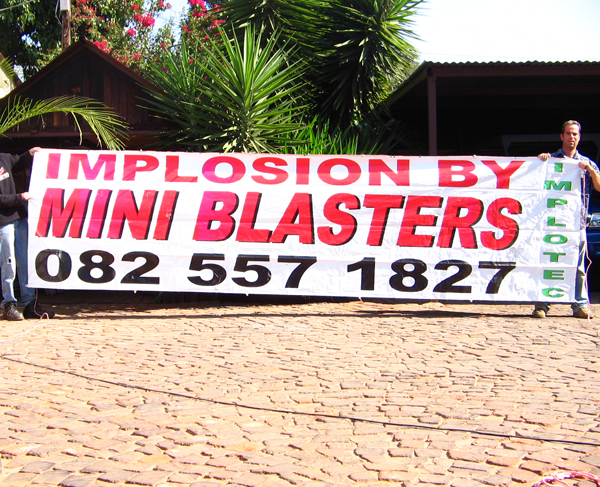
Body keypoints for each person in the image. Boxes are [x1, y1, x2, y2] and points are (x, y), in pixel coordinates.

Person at [533, 120, 600, 319]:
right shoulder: (551, 159)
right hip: (551, 221)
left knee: (578, 265)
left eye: (575, 134)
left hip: (576, 223)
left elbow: (599, 186)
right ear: (561, 136)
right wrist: (540, 161)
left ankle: (579, 305)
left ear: (579, 137)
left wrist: (590, 171)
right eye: (569, 133)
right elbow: (532, 182)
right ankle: (542, 304)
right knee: (547, 262)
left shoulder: (586, 162)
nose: (572, 137)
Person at [0, 147, 54, 320]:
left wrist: (30, 154)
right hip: (3, 222)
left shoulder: (4, 158)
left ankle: (30, 305)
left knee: (26, 262)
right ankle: (9, 304)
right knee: (8, 263)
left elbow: (20, 161)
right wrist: (20, 197)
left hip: (20, 219)